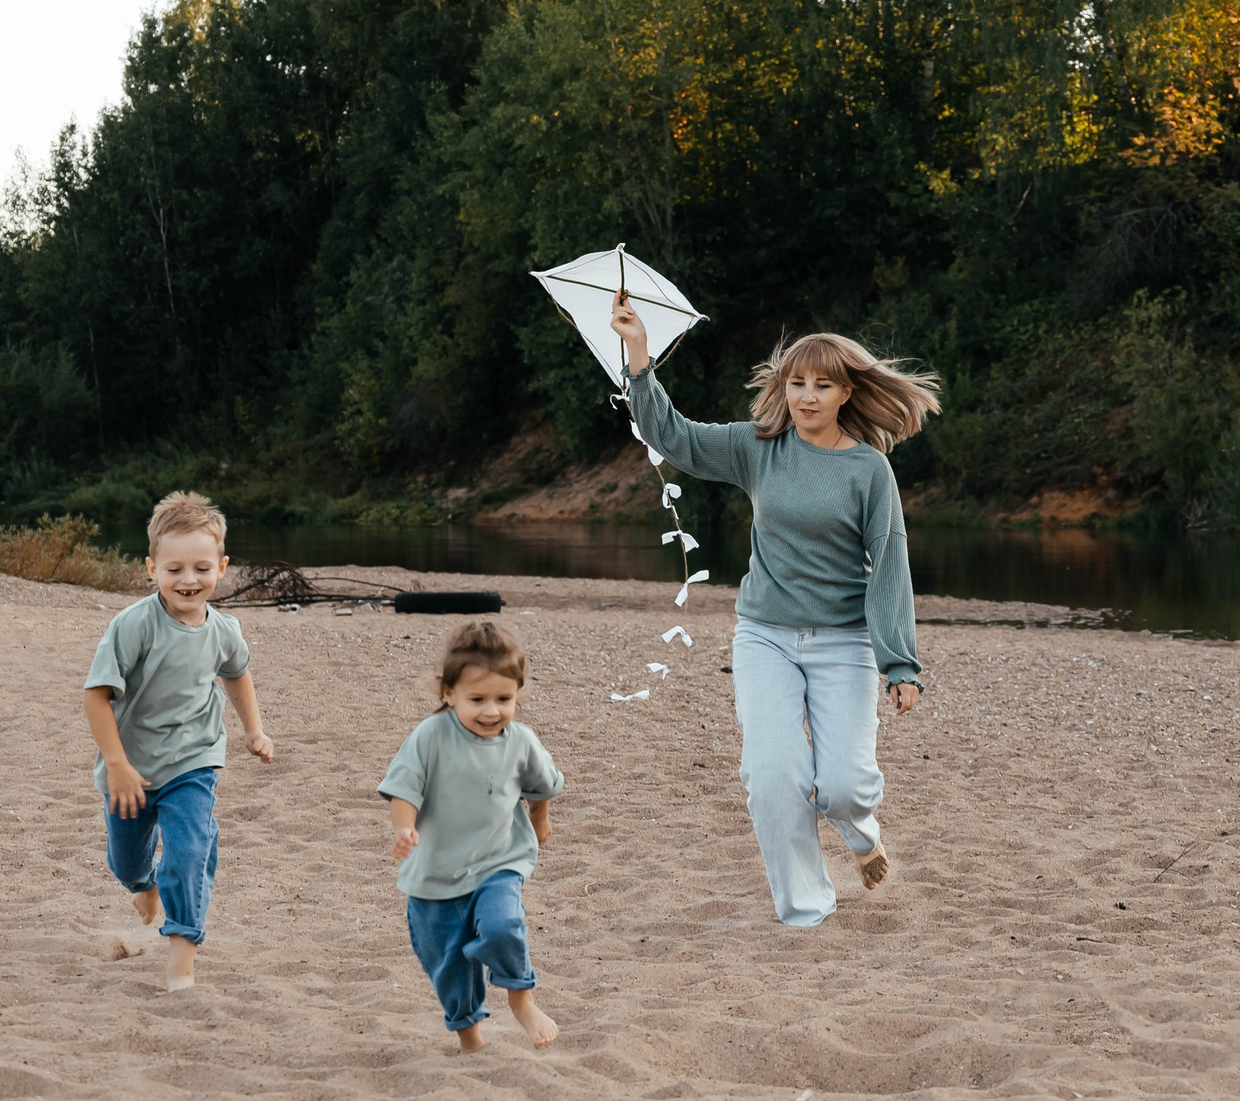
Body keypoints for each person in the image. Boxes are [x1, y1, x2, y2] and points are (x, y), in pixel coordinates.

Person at [610, 300, 940, 927]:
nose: (806, 396)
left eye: (822, 385)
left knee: (843, 787)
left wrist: (901, 665)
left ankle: (863, 834)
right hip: (765, 638)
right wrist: (639, 355)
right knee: (773, 778)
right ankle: (806, 912)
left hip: (845, 643)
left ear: (847, 392)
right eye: (796, 383)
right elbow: (670, 435)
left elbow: (890, 566)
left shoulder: (869, 470)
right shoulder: (758, 448)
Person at [81, 491, 274, 993]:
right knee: (125, 861)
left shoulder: (225, 629)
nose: (189, 580)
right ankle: (143, 886)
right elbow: (96, 698)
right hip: (132, 765)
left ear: (222, 567)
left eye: (201, 568)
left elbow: (238, 673)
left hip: (194, 758)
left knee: (189, 851)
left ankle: (182, 955)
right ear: (151, 568)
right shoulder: (134, 625)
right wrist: (117, 764)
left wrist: (253, 728)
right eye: (175, 570)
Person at [379, 621, 565, 1051]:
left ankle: (522, 999)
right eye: (477, 699)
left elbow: (544, 786)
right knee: (447, 965)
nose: (491, 711)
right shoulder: (430, 736)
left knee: (503, 926)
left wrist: (540, 820)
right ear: (449, 694)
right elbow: (404, 790)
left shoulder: (521, 741)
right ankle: (470, 1039)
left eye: (504, 699)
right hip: (435, 874)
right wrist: (404, 827)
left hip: (498, 860)